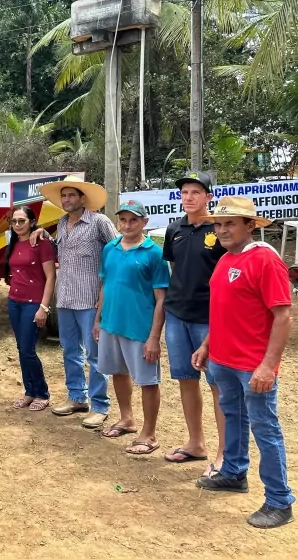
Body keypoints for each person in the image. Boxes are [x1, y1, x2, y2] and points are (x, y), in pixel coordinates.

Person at [193, 196, 295, 529]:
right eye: (219, 224)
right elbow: (221, 309)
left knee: (265, 428)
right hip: (223, 360)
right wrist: (208, 345)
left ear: (250, 225)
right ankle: (235, 473)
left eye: (230, 224)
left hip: (253, 365)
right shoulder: (224, 260)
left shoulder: (265, 260)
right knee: (233, 418)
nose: (221, 230)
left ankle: (279, 501)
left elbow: (282, 316)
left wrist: (268, 366)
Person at [37, 175, 117, 429]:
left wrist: (109, 293)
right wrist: (41, 232)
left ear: (83, 198)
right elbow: (61, 252)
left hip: (91, 300)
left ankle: (100, 405)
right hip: (66, 299)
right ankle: (76, 397)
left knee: (95, 355)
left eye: (72, 195)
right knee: (70, 350)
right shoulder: (61, 223)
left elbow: (117, 249)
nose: (67, 199)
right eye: (64, 196)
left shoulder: (99, 222)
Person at [162, 171, 227, 477]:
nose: (188, 197)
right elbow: (177, 268)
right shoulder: (175, 229)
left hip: (210, 318)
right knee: (186, 380)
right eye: (184, 192)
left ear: (209, 197)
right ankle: (196, 443)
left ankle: (223, 455)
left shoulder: (221, 230)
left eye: (195, 192)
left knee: (218, 385)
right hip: (176, 315)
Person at [94, 201, 170, 454]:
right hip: (111, 324)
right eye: (123, 220)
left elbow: (161, 298)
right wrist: (98, 320)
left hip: (139, 327)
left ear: (144, 223)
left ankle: (149, 434)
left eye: (133, 220)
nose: (127, 225)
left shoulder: (154, 253)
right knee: (117, 371)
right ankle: (127, 419)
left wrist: (154, 337)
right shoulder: (110, 248)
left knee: (148, 380)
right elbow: (105, 286)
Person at [5, 205, 56, 411]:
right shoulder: (14, 242)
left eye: (21, 221)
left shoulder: (41, 243)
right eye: (14, 221)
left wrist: (44, 306)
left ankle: (42, 393)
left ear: (31, 222)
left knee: (28, 349)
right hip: (14, 302)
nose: (17, 225)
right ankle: (29, 391)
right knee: (21, 349)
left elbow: (51, 276)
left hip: (33, 303)